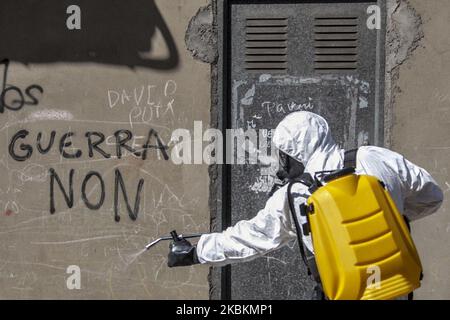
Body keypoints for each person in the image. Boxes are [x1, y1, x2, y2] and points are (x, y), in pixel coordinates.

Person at [167, 111, 444, 290]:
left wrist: (195, 251)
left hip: (342, 293)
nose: (281, 166)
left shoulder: (295, 195)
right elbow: (432, 196)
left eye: (283, 156)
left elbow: (251, 238)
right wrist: (391, 216)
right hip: (394, 286)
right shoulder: (375, 157)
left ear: (293, 152)